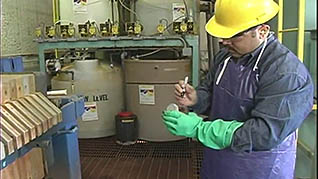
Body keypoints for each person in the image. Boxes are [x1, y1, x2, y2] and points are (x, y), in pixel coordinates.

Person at [161, 0, 314, 178]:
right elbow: (211, 92)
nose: (223, 41)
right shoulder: (226, 56)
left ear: (262, 31)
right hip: (219, 159)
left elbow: (264, 134)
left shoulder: (286, 74)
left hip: (258, 167)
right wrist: (196, 99)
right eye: (222, 34)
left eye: (233, 35)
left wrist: (199, 129)